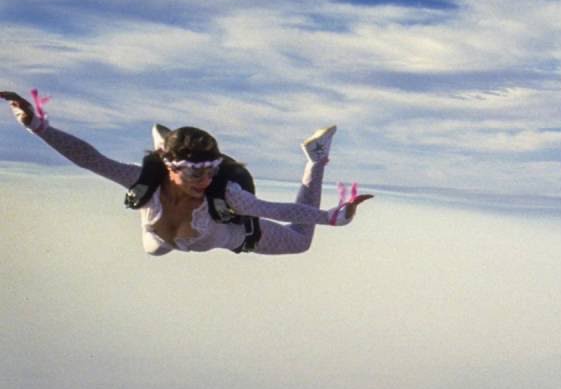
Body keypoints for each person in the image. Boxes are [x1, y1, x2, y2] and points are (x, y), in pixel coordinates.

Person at [3, 89, 372, 255]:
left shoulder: (226, 195)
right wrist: (37, 126)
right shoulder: (144, 182)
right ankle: (165, 143)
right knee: (153, 250)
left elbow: (276, 210)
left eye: (211, 172)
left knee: (301, 242)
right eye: (196, 175)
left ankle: (316, 159)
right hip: (161, 237)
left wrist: (332, 218)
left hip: (230, 237)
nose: (206, 182)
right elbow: (90, 158)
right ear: (170, 167)